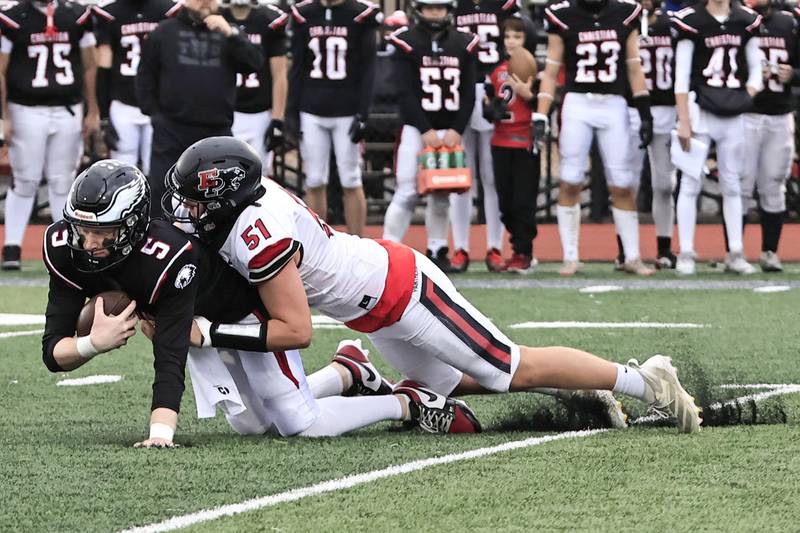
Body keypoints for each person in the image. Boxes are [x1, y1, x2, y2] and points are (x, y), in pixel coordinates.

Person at [163, 135, 703, 434]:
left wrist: (209, 334)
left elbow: (297, 330)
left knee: (510, 367)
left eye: (197, 199)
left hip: (403, 291)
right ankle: (578, 387)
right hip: (372, 307)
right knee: (456, 383)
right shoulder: (246, 207)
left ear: (228, 196)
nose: (188, 209)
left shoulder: (259, 232)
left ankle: (645, 381)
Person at [42, 160, 479, 450]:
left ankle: (406, 402)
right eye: (81, 228)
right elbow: (52, 350)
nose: (89, 243)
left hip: (243, 312)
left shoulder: (169, 257)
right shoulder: (64, 247)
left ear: (133, 225)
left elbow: (170, 354)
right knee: (251, 425)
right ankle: (346, 373)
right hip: (200, 321)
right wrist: (93, 344)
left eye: (102, 232)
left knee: (300, 423)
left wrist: (160, 433)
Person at [535, 0, 655, 276]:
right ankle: (570, 257)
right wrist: (540, 115)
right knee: (570, 179)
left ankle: (632, 256)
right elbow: (551, 71)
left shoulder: (625, 12)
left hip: (613, 103)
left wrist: (644, 112)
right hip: (578, 103)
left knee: (622, 183)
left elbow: (634, 67)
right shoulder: (563, 14)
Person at [134, 0, 263, 217]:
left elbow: (254, 63)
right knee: (163, 193)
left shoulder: (228, 32)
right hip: (171, 129)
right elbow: (145, 75)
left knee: (221, 197)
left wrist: (231, 34)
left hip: (217, 131)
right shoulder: (165, 31)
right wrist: (154, 113)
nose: (205, 2)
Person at [0, 0, 100, 270]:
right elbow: (2, 68)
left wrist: (93, 110)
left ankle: (64, 246)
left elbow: (90, 65)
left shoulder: (75, 15)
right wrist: (5, 115)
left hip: (67, 108)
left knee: (62, 180)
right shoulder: (14, 17)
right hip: (26, 109)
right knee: (25, 179)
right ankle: (12, 246)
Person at [382, 0, 477, 272]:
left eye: (440, 7)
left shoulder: (464, 42)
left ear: (449, 9)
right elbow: (404, 92)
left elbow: (469, 92)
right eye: (429, 7)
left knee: (442, 192)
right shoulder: (406, 41)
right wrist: (425, 129)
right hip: (417, 128)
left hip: (450, 129)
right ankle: (388, 249)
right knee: (406, 190)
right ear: (419, 9)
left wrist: (457, 129)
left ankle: (437, 248)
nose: (435, 12)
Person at [671, 0, 762, 275]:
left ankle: (735, 251)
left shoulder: (746, 20)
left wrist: (744, 97)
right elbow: (681, 76)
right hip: (700, 110)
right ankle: (686, 251)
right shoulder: (691, 20)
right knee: (690, 182)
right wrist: (684, 119)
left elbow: (756, 70)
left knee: (732, 184)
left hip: (732, 112)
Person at [286, 0, 381, 236]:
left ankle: (357, 243)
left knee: (351, 179)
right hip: (311, 108)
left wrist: (363, 112)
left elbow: (369, 68)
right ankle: (318, 242)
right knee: (314, 179)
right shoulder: (304, 14)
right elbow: (297, 67)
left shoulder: (360, 15)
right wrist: (291, 111)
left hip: (347, 111)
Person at [450, 0, 522, 273]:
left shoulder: (503, 5)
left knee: (493, 176)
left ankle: (495, 246)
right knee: (461, 177)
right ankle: (460, 247)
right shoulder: (453, 6)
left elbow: (518, 37)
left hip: (495, 89)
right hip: (458, 89)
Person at [92, 0, 181, 176]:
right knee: (124, 171)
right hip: (127, 102)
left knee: (153, 170)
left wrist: (103, 114)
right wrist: (104, 117)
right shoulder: (109, 14)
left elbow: (104, 69)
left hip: (155, 104)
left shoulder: (169, 11)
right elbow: (103, 67)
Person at [740, 0, 797, 272]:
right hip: (744, 115)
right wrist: (746, 74)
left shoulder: (789, 22)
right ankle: (734, 252)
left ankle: (770, 251)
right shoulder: (734, 20)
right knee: (740, 185)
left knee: (774, 184)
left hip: (778, 115)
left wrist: (793, 74)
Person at [482, 17, 540, 273]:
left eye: (517, 36)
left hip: (525, 142)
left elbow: (546, 104)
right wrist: (490, 110)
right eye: (507, 36)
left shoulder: (536, 69)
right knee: (505, 203)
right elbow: (488, 104)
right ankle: (519, 246)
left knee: (522, 201)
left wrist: (529, 96)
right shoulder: (496, 71)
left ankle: (523, 251)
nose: (511, 41)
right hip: (500, 141)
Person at [626, 0, 678, 269]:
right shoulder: (625, 22)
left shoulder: (674, 26)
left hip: (666, 109)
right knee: (627, 183)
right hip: (632, 109)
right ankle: (626, 249)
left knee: (665, 184)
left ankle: (664, 247)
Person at [222, 0, 289, 175]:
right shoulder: (217, 17)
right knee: (222, 174)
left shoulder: (268, 20)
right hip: (224, 112)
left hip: (259, 113)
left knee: (259, 176)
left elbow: (279, 74)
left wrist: (277, 119)